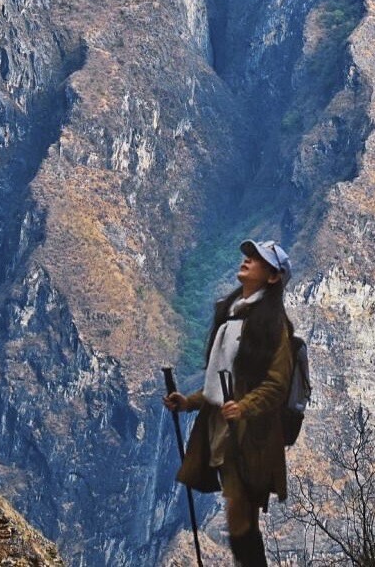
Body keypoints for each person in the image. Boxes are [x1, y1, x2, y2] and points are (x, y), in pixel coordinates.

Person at [163, 239, 294, 567]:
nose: (247, 260)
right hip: (220, 424)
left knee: (240, 510)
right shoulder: (231, 316)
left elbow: (277, 384)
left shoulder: (273, 326)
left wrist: (244, 407)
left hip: (250, 433)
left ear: (273, 277)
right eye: (248, 255)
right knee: (237, 511)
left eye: (257, 258)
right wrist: (189, 401)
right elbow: (219, 379)